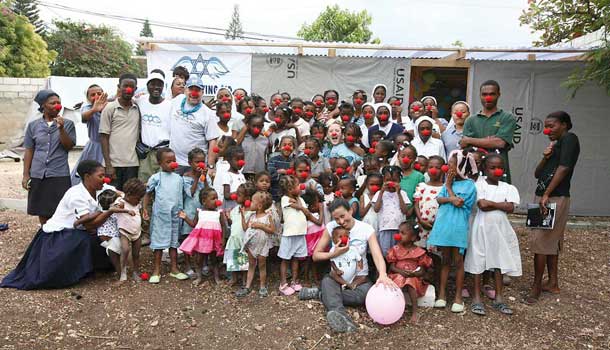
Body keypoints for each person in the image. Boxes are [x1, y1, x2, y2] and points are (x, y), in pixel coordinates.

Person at [1, 160, 112, 290]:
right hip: (60, 236)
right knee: (84, 240)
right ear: (87, 177)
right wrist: (108, 212)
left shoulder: (101, 189)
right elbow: (88, 225)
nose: (105, 179)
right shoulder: (76, 194)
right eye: (100, 176)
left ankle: (94, 267)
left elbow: (117, 193)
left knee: (102, 237)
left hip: (80, 231)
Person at [299, 198, 394, 333]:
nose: (341, 222)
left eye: (343, 216)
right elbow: (316, 255)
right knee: (328, 282)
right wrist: (333, 254)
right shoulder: (331, 227)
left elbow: (377, 255)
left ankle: (322, 294)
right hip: (336, 278)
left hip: (359, 281)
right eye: (337, 219)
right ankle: (344, 320)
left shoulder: (366, 229)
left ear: (351, 210)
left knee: (365, 295)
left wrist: (383, 275)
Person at [525, 111, 580, 304]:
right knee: (549, 241)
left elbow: (564, 168)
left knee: (541, 242)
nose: (547, 129)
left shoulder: (570, 139)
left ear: (564, 124)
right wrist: (545, 157)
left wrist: (547, 194)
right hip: (543, 196)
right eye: (546, 126)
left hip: (553, 197)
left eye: (552, 125)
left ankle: (536, 287)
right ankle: (553, 283)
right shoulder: (556, 145)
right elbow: (537, 173)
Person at [465, 154, 522, 316]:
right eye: (492, 167)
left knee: (498, 262)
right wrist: (500, 205)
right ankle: (476, 298)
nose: (497, 171)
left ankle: (499, 298)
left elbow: (511, 208)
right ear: (484, 168)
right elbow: (482, 205)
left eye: (500, 167)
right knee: (478, 261)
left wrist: (492, 203)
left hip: (500, 229)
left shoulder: (508, 187)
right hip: (481, 228)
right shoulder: (478, 185)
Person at [427, 149, 477, 313]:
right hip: (444, 227)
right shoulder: (449, 183)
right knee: (445, 260)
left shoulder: (469, 185)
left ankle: (458, 297)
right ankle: (441, 295)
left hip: (458, 228)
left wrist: (448, 187)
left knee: (458, 261)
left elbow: (459, 203)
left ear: (461, 167)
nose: (448, 169)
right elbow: (440, 199)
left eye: (451, 165)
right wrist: (449, 192)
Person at [22, 89, 76, 224]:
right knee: (42, 210)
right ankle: (45, 234)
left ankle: (57, 237)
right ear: (43, 106)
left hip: (58, 173)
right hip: (39, 173)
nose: (57, 106)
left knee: (61, 209)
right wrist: (26, 175)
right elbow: (29, 150)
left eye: (59, 103)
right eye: (53, 103)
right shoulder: (33, 126)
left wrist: (61, 128)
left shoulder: (68, 124)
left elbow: (68, 146)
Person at [142, 148, 188, 284]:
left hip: (175, 215)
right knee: (158, 243)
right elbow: (147, 193)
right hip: (160, 216)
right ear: (160, 163)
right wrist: (145, 208)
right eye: (168, 161)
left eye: (174, 160)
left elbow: (183, 195)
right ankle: (156, 270)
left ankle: (174, 269)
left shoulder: (179, 178)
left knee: (174, 243)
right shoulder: (156, 177)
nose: (172, 164)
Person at [460, 80, 516, 183]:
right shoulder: (471, 120)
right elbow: (465, 145)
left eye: (492, 94)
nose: (488, 97)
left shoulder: (507, 117)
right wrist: (490, 141)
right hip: (475, 173)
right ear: (480, 96)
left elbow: (500, 143)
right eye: (484, 94)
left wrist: (470, 140)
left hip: (498, 172)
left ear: (499, 95)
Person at [169, 76, 220, 175]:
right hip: (175, 162)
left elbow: (213, 141)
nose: (194, 93)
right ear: (185, 90)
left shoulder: (208, 114)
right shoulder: (177, 101)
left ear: (202, 93)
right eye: (191, 89)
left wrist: (210, 166)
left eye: (197, 90)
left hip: (196, 166)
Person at [387, 221, 433, 324]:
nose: (399, 235)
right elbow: (392, 266)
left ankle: (415, 312)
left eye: (403, 233)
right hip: (398, 275)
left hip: (413, 277)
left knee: (411, 281)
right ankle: (394, 308)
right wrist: (401, 271)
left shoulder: (419, 252)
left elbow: (422, 270)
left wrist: (414, 274)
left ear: (412, 238)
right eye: (399, 232)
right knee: (399, 278)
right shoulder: (395, 249)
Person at [100, 73, 140, 190]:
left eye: (132, 87)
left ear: (135, 89)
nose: (128, 89)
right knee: (112, 198)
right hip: (114, 164)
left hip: (132, 163)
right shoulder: (109, 108)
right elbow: (103, 136)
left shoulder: (137, 108)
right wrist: (108, 164)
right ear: (119, 87)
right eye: (125, 86)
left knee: (130, 197)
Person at [179, 187, 227, 285]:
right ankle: (199, 277)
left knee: (214, 260)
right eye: (213, 198)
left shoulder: (219, 212)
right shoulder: (199, 212)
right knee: (199, 260)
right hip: (202, 241)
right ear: (204, 201)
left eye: (217, 198)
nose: (216, 201)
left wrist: (223, 239)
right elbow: (193, 224)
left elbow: (223, 226)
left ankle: (217, 278)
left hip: (214, 240)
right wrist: (185, 217)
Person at [135, 72, 172, 184]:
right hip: (145, 154)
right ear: (147, 86)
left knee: (162, 185)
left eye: (159, 85)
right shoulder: (140, 100)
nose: (156, 87)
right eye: (152, 84)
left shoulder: (169, 105)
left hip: (163, 152)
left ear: (163, 87)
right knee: (144, 185)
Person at [237, 191, 276, 297]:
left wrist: (261, 226)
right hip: (251, 246)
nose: (249, 203)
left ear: (259, 206)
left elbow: (272, 230)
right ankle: (247, 286)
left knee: (262, 266)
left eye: (252, 201)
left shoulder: (268, 216)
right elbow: (245, 228)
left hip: (263, 246)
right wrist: (242, 215)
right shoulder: (251, 216)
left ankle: (262, 286)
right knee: (251, 265)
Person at [70, 85, 108, 185]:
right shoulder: (87, 108)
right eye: (92, 95)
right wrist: (94, 109)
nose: (96, 96)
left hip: (109, 147)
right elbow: (83, 118)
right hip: (94, 147)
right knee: (88, 174)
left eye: (99, 94)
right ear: (88, 98)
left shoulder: (109, 107)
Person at [278, 175, 309, 295]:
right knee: (285, 259)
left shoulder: (300, 199)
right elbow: (299, 208)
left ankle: (295, 281)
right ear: (290, 189)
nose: (300, 187)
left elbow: (304, 208)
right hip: (289, 234)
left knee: (296, 258)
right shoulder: (285, 198)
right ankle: (283, 283)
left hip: (300, 233)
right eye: (297, 186)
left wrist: (298, 199)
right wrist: (300, 206)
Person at [372, 166, 411, 256]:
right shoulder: (379, 193)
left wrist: (399, 193)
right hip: (385, 228)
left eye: (394, 180)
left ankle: (396, 268)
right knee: (385, 252)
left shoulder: (403, 193)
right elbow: (376, 209)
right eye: (388, 180)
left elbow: (405, 211)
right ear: (383, 180)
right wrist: (381, 192)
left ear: (399, 181)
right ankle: (385, 268)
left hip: (399, 229)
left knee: (399, 251)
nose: (391, 183)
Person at [224, 182, 256, 286]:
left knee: (244, 261)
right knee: (233, 259)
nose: (235, 196)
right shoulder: (235, 209)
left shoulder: (252, 211)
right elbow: (232, 223)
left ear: (248, 197)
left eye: (239, 194)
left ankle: (244, 279)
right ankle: (234, 278)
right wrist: (228, 217)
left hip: (244, 240)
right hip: (234, 239)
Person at [115, 178, 147, 282]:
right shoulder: (121, 202)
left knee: (136, 254)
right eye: (137, 198)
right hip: (124, 231)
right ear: (128, 194)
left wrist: (144, 214)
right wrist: (126, 210)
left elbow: (139, 211)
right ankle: (122, 272)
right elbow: (114, 209)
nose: (139, 200)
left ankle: (135, 272)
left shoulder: (137, 203)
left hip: (137, 232)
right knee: (125, 249)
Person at [413, 155, 445, 247]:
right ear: (427, 169)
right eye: (430, 167)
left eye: (437, 168)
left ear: (443, 169)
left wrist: (437, 222)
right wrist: (420, 220)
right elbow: (416, 204)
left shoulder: (445, 188)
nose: (433, 170)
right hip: (421, 225)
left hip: (438, 226)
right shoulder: (421, 186)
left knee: (435, 254)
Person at [302, 188, 326, 287]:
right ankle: (306, 278)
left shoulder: (313, 213)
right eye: (317, 203)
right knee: (308, 260)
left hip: (318, 238)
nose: (319, 204)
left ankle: (315, 278)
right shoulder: (309, 214)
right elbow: (319, 222)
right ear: (311, 206)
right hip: (311, 240)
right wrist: (321, 210)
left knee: (314, 260)